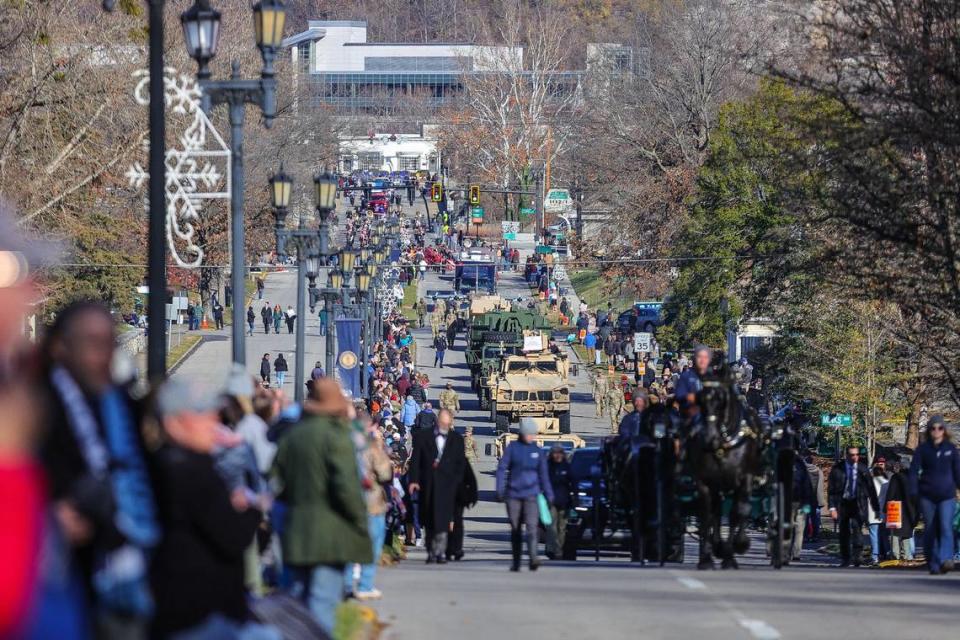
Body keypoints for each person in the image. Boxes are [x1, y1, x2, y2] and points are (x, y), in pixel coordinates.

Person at [38, 301, 161, 638]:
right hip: (63, 573)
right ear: (61, 347)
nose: (103, 354)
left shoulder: (120, 403)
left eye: (109, 343)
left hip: (126, 558)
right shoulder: (38, 406)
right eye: (92, 343)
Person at [150, 379, 273, 640]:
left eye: (213, 413)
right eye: (201, 415)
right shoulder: (191, 471)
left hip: (196, 610)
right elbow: (233, 537)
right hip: (198, 613)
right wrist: (250, 509)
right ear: (174, 424)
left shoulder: (169, 462)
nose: (213, 421)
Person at [273, 378, 371, 634]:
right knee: (323, 602)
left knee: (296, 601)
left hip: (296, 526)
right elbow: (347, 487)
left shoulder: (294, 434)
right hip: (330, 531)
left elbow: (275, 478)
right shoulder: (337, 436)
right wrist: (360, 521)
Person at [345, 416, 394, 601]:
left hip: (350, 501)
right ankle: (365, 585)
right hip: (372, 501)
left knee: (351, 544)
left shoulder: (344, 446)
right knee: (372, 544)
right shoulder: (372, 447)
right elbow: (384, 473)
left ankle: (347, 583)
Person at [408, 408, 466, 564]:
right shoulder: (422, 437)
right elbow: (415, 462)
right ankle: (431, 549)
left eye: (448, 424)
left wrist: (460, 484)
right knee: (430, 519)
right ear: (437, 421)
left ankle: (440, 551)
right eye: (442, 423)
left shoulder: (457, 440)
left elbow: (461, 465)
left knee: (444, 520)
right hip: (428, 485)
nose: (445, 426)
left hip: (448, 486)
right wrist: (413, 480)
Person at [496, 418, 554, 571]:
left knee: (532, 527)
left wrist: (549, 494)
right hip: (513, 495)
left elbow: (544, 475)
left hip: (531, 495)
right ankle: (516, 561)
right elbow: (502, 469)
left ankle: (533, 557)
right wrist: (500, 490)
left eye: (532, 434)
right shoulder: (513, 448)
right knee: (515, 529)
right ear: (522, 434)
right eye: (528, 434)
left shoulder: (538, 451)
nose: (531, 437)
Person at [909, 416, 960, 574]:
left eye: (940, 428)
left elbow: (957, 471)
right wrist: (913, 490)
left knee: (946, 527)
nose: (936, 431)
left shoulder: (950, 449)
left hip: (947, 495)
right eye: (933, 428)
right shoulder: (923, 450)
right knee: (931, 528)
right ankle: (933, 561)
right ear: (929, 430)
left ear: (944, 431)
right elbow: (913, 472)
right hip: (927, 495)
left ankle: (946, 559)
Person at [828, 446, 880, 567]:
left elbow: (871, 489)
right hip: (843, 503)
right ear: (846, 455)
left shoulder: (863, 469)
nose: (855, 457)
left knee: (857, 530)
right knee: (844, 532)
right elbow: (832, 489)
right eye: (852, 455)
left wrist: (875, 507)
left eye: (857, 455)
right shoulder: (838, 469)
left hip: (858, 503)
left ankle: (857, 556)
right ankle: (845, 558)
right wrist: (832, 507)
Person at [884, 459, 917, 561]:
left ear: (901, 467)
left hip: (896, 509)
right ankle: (907, 555)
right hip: (911, 510)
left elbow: (890, 493)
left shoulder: (896, 477)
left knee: (894, 533)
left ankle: (896, 555)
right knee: (906, 534)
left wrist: (885, 507)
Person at [446, 455, 478, 561]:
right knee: (455, 522)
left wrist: (472, 495)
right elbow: (471, 479)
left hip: (457, 496)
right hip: (450, 495)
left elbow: (471, 479)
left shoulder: (460, 460)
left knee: (454, 522)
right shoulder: (459, 459)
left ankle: (454, 548)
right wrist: (473, 495)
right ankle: (454, 548)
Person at [545, 445, 572, 560]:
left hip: (564, 502)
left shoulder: (567, 467)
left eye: (559, 453)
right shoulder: (547, 467)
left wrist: (573, 499)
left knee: (562, 527)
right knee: (551, 527)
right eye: (555, 453)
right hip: (550, 502)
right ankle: (552, 549)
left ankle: (559, 549)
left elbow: (573, 483)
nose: (557, 455)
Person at [867, 464, 889, 564]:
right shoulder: (887, 483)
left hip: (872, 512)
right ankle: (886, 553)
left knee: (874, 534)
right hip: (884, 512)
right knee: (884, 535)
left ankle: (875, 556)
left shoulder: (870, 483)